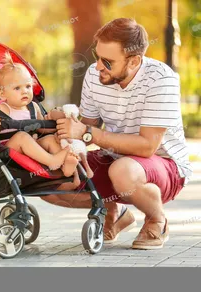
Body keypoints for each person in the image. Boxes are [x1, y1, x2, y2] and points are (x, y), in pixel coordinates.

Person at [41, 18, 193, 250]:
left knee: (122, 171)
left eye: (108, 61)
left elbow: (146, 147)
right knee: (48, 182)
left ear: (134, 61)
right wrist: (62, 124)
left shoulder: (161, 79)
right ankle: (114, 210)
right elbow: (85, 126)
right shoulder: (94, 75)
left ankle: (156, 219)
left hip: (165, 166)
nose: (99, 66)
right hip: (114, 160)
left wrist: (88, 133)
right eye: (97, 56)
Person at [0, 52, 79, 177]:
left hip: (33, 148)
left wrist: (54, 127)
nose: (24, 91)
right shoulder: (3, 109)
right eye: (17, 88)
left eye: (28, 86)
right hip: (10, 150)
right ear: (3, 94)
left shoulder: (33, 107)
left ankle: (66, 167)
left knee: (50, 139)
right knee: (22, 136)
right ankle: (52, 161)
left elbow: (41, 127)